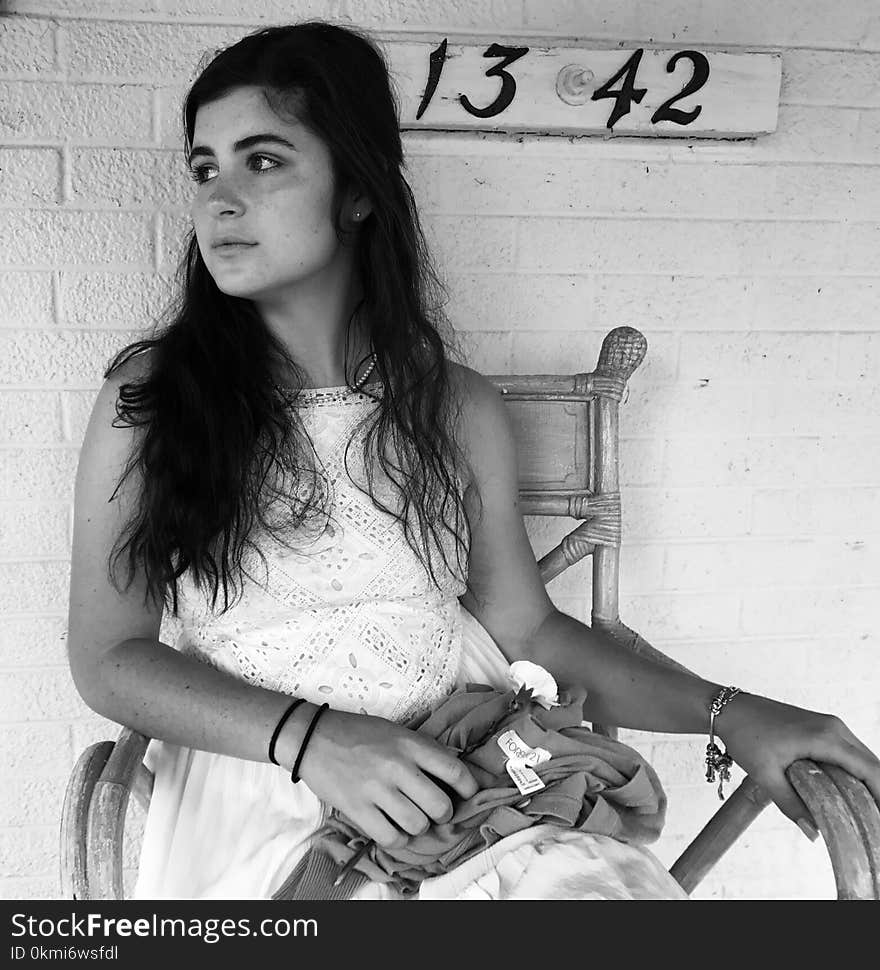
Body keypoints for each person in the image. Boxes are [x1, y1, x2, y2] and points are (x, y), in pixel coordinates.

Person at [67, 21, 880, 901]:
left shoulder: (452, 404)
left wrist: (735, 711)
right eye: (204, 167)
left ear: (357, 190)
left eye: (263, 161)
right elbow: (108, 656)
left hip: (469, 769)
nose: (219, 199)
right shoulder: (152, 402)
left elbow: (530, 631)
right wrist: (314, 739)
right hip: (261, 780)